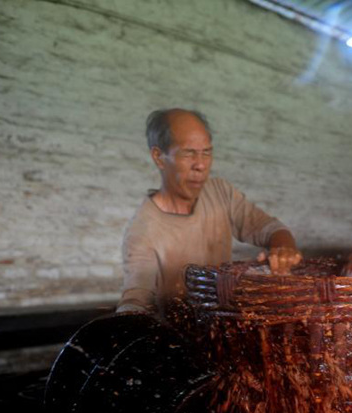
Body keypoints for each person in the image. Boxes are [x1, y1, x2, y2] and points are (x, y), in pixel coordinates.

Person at [117, 109, 302, 316]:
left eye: (207, 152)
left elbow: (271, 229)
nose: (201, 165)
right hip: (178, 340)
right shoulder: (143, 231)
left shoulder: (220, 193)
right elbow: (136, 299)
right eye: (189, 153)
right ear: (159, 157)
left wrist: (283, 249)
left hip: (224, 327)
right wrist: (128, 316)